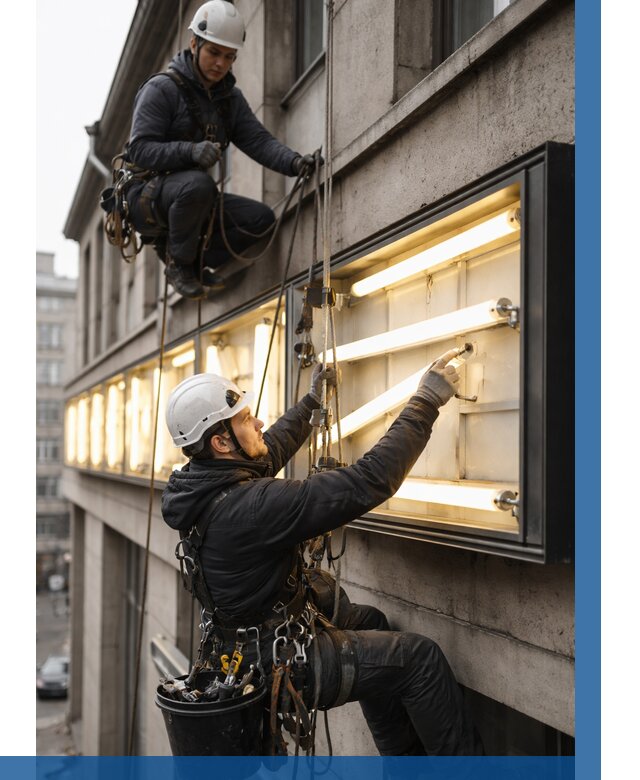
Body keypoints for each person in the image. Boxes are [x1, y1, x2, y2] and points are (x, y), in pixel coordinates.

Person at [161, 350, 483, 755]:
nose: (258, 422)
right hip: (283, 661)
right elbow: (368, 482)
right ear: (221, 441)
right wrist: (425, 402)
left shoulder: (200, 487)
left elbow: (266, 452)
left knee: (373, 622)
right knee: (421, 660)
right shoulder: (252, 507)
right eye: (246, 420)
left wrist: (311, 405)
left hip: (246, 648)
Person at [124, 0, 318, 300]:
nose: (220, 63)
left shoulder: (230, 100)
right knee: (199, 184)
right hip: (147, 196)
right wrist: (190, 152)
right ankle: (179, 265)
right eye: (214, 52)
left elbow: (257, 140)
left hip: (191, 197)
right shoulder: (162, 89)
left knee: (260, 220)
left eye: (229, 56)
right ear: (194, 44)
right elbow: (139, 149)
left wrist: (293, 163)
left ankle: (194, 260)